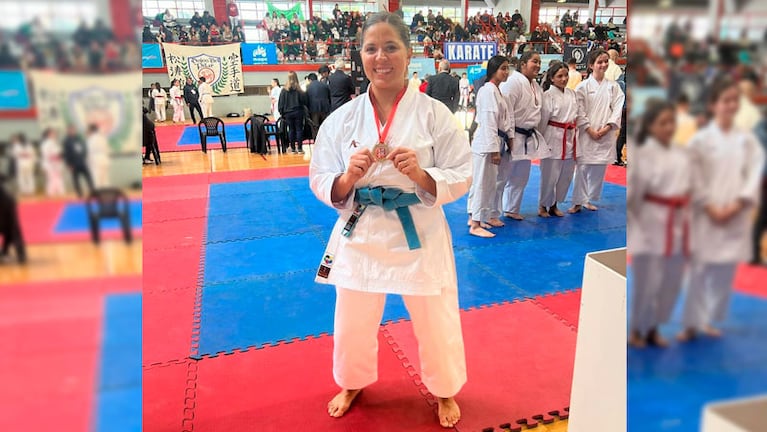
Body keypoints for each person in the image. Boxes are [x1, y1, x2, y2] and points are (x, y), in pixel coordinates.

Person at [309, 11, 470, 428]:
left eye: (391, 47)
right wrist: (347, 178)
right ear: (360, 56)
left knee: (436, 317)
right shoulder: (342, 119)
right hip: (361, 227)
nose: (381, 57)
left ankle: (445, 389)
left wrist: (421, 175)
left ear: (409, 52)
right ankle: (352, 380)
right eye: (371, 48)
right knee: (352, 318)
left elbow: (463, 170)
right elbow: (320, 175)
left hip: (418, 228)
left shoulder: (435, 114)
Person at [679, 76, 765, 341]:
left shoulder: (747, 141)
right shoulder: (701, 140)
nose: (730, 105)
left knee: (724, 269)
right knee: (699, 268)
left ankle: (710, 319)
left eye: (734, 101)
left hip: (735, 212)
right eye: (725, 100)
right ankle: (692, 321)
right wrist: (709, 204)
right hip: (706, 212)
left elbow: (754, 173)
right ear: (713, 104)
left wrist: (739, 202)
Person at [627, 99, 692, 348]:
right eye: (662, 123)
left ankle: (654, 327)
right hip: (650, 222)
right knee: (648, 282)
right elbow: (635, 196)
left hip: (677, 221)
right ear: (651, 126)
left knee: (671, 280)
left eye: (671, 122)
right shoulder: (644, 155)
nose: (669, 127)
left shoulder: (681, 153)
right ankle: (637, 330)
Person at [570, 49, 625, 213]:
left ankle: (588, 199)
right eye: (599, 62)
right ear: (591, 65)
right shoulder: (582, 87)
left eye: (605, 61)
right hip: (587, 132)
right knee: (582, 167)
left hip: (605, 132)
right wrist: (588, 128)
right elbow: (578, 111)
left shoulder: (614, 86)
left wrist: (608, 127)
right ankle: (577, 201)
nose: (603, 64)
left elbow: (617, 109)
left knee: (599, 168)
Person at [498, 50, 550, 220]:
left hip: (527, 137)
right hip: (512, 136)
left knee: (521, 176)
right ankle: (491, 212)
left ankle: (511, 209)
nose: (538, 65)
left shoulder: (535, 86)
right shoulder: (512, 82)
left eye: (539, 62)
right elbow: (505, 112)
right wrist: (509, 137)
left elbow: (540, 113)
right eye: (534, 61)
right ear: (523, 64)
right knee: (501, 177)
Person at [467, 55, 512, 238]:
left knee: (488, 182)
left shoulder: (496, 91)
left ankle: (480, 216)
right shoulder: (487, 91)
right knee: (482, 183)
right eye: (502, 68)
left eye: (507, 68)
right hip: (486, 143)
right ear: (493, 71)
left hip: (493, 140)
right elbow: (488, 122)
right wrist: (494, 150)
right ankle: (475, 223)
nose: (506, 72)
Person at [538, 61, 578, 218]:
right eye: (559, 76)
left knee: (565, 175)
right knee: (549, 175)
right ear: (552, 78)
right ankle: (542, 205)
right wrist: (541, 141)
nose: (564, 79)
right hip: (552, 137)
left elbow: (577, 115)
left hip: (569, 137)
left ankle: (554, 204)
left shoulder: (572, 94)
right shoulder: (547, 95)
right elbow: (543, 120)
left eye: (566, 75)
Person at [278, 71, 309, 154]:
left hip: (288, 113)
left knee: (291, 130)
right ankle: (299, 148)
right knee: (299, 130)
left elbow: (281, 103)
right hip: (298, 112)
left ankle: (292, 148)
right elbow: (304, 101)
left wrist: (282, 113)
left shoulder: (284, 90)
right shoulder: (299, 90)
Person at [62, 125, 94, 198]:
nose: (73, 131)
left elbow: (84, 148)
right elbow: (66, 153)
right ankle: (79, 194)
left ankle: (93, 192)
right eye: (71, 130)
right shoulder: (66, 141)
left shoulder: (79, 138)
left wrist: (84, 157)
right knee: (76, 179)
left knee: (88, 177)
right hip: (73, 163)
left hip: (82, 161)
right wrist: (69, 164)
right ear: (68, 131)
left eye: (74, 130)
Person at [752, 113, 767, 265]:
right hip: (765, 176)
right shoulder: (759, 129)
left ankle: (754, 252)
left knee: (764, 215)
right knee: (763, 216)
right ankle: (754, 253)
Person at [40, 128, 66, 197]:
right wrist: (55, 157)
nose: (55, 134)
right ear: (48, 134)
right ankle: (51, 194)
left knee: (59, 178)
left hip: (57, 163)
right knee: (51, 178)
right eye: (53, 133)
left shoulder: (56, 142)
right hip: (50, 163)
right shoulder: (46, 143)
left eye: (55, 133)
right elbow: (46, 154)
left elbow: (60, 152)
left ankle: (61, 192)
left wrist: (60, 157)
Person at [306, 72, 331, 140]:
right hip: (325, 108)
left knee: (315, 127)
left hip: (313, 109)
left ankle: (317, 141)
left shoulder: (308, 87)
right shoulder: (324, 85)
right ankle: (326, 141)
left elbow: (307, 99)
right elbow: (329, 96)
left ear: (309, 80)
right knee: (325, 126)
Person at [86, 123, 110, 188]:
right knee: (105, 180)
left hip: (96, 160)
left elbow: (90, 152)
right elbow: (107, 149)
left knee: (97, 180)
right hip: (105, 159)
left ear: (90, 130)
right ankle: (107, 195)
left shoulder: (91, 139)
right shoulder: (102, 138)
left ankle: (99, 196)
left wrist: (88, 162)